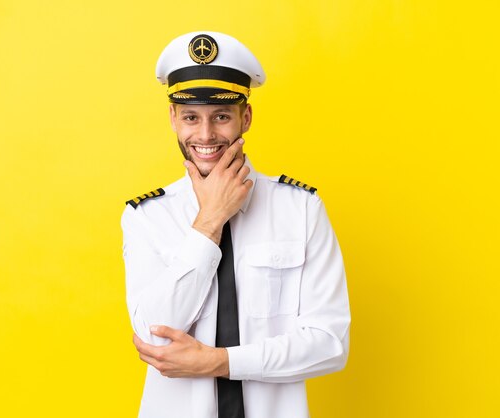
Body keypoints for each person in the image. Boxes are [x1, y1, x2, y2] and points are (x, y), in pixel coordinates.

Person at [121, 31, 351, 418]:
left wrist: (219, 362)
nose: (206, 135)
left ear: (246, 117)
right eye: (191, 117)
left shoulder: (302, 209)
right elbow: (152, 335)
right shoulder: (147, 217)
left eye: (221, 116)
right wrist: (210, 221)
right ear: (173, 119)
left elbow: (330, 344)